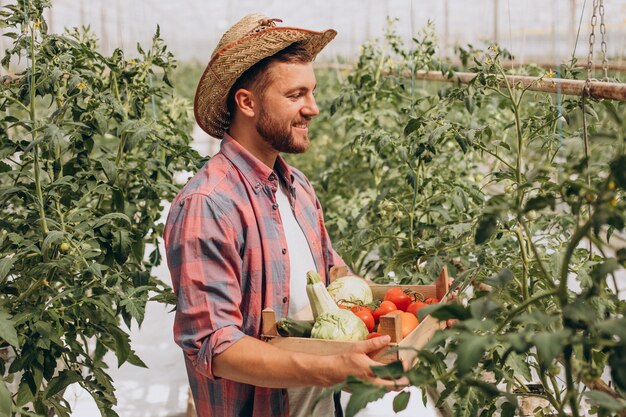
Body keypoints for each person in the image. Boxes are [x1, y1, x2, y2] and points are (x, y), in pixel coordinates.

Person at [163, 13, 401, 417]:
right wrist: (329, 368)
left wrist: (406, 312)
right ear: (247, 102)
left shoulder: (298, 188)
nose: (314, 108)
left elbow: (334, 279)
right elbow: (216, 346)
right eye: (296, 95)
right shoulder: (209, 204)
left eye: (312, 92)